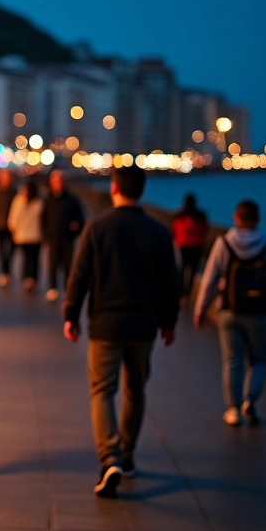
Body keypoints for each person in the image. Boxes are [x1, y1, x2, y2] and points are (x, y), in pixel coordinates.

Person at [63, 165, 180, 498]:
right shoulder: (159, 232)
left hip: (105, 324)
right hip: (143, 325)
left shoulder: (97, 228)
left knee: (102, 391)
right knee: (136, 390)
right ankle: (127, 456)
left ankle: (109, 458)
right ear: (142, 191)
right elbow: (172, 283)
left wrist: (71, 314)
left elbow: (80, 274)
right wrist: (169, 322)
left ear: (114, 189)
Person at [193, 199, 266, 426]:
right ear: (257, 220)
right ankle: (250, 399)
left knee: (232, 360)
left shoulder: (225, 242)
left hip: (229, 310)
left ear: (236, 217)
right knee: (260, 360)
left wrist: (200, 309)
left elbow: (211, 278)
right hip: (260, 312)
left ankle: (233, 409)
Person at [41, 169, 84, 303]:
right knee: (52, 264)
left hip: (68, 238)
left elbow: (80, 219)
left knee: (68, 265)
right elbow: (43, 218)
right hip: (53, 238)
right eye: (55, 181)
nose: (58, 183)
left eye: (60, 180)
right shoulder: (47, 199)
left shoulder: (72, 199)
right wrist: (45, 234)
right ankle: (53, 288)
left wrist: (76, 228)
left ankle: (68, 290)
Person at [171, 193, 209, 304]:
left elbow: (174, 230)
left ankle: (181, 294)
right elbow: (205, 231)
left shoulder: (179, 215)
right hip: (197, 246)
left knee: (182, 269)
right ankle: (187, 295)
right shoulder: (200, 216)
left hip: (182, 245)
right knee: (192, 270)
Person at [7, 178, 43, 292]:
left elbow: (12, 219)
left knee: (27, 259)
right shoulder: (38, 202)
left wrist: (14, 231)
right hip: (34, 235)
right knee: (33, 258)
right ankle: (31, 279)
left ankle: (28, 279)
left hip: (25, 235)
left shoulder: (18, 201)